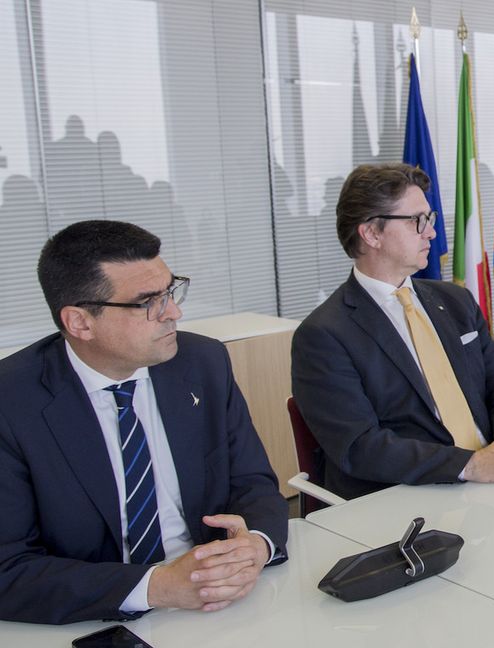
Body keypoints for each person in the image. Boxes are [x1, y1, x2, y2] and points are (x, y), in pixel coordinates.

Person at [0, 221, 288, 625]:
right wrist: (157, 586)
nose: (174, 312)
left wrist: (255, 544)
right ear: (80, 322)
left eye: (171, 291)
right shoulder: (12, 403)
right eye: (148, 302)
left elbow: (252, 481)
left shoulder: (202, 363)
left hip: (220, 601)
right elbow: (9, 569)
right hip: (96, 617)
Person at [291, 163, 494, 500]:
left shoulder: (455, 301)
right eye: (417, 221)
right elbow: (360, 446)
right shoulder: (323, 335)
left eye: (430, 219)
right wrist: (470, 465)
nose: (432, 233)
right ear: (372, 234)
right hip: (411, 496)